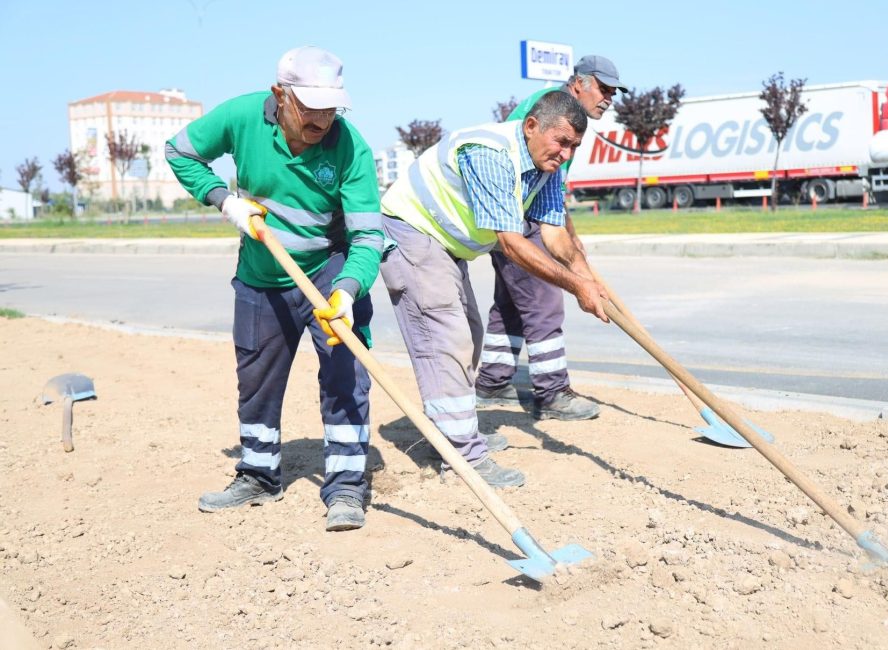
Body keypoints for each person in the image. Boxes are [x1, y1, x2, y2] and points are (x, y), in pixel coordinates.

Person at [165, 46, 385, 532]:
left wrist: (347, 291)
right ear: (279, 96)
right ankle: (259, 474)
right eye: (310, 107)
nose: (323, 120)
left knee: (346, 373)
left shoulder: (352, 148)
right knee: (257, 378)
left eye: (332, 108)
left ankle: (347, 486)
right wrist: (223, 200)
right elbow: (179, 151)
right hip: (261, 276)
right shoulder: (242, 116)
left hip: (330, 269)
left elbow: (370, 235)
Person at [378, 91, 608, 488]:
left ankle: (452, 434)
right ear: (531, 126)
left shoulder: (547, 165)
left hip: (448, 245)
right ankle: (463, 455)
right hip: (413, 231)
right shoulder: (489, 152)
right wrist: (576, 287)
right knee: (445, 339)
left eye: (574, 146)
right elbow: (513, 243)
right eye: (562, 142)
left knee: (469, 334)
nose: (566, 154)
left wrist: (589, 278)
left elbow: (554, 235)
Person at [475, 55, 628, 421]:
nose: (608, 99)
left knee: (512, 303)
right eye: (602, 89)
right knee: (544, 299)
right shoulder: (551, 109)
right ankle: (552, 391)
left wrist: (572, 242)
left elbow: (552, 188)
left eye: (612, 93)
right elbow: (523, 172)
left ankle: (493, 382)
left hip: (523, 212)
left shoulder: (568, 119)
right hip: (515, 217)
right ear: (579, 84)